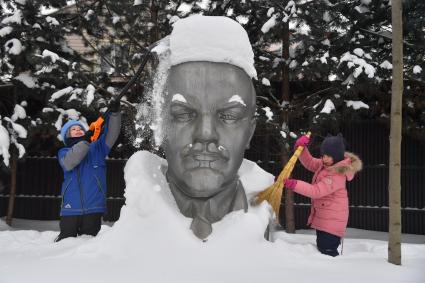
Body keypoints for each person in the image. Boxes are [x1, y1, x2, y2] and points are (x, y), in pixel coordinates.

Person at [283, 134, 362, 256]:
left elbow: (316, 191)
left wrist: (294, 184)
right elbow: (309, 162)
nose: (324, 159)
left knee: (327, 252)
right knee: (323, 249)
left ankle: (335, 273)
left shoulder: (337, 174)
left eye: (328, 156)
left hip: (332, 222)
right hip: (325, 219)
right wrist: (301, 148)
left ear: (337, 157)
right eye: (323, 155)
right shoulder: (326, 165)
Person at [55, 99, 121, 242]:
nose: (78, 130)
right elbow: (71, 161)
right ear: (67, 135)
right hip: (70, 207)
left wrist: (114, 114)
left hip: (94, 206)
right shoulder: (63, 152)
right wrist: (85, 140)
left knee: (89, 245)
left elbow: (112, 134)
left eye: (80, 129)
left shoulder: (97, 148)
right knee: (64, 244)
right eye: (74, 129)